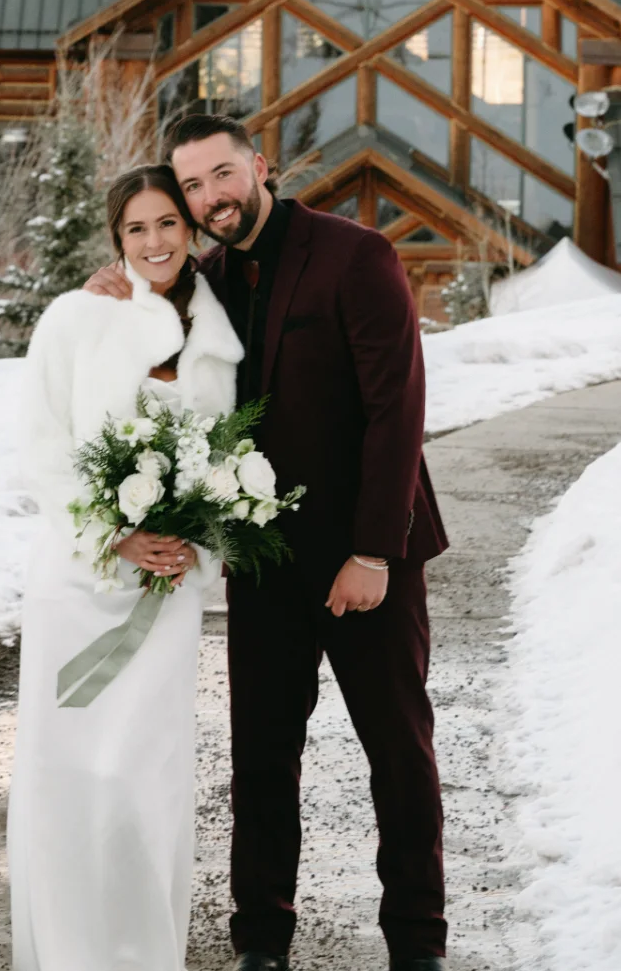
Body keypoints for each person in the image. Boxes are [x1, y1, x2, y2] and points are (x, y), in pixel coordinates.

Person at [87, 112, 449, 971]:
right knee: (260, 756)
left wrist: (372, 552)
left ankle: (418, 943)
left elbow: (398, 407)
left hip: (367, 552)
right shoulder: (205, 279)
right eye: (194, 186)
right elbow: (161, 371)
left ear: (259, 164)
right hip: (263, 559)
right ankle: (261, 942)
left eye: (223, 175)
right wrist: (119, 291)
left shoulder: (355, 255)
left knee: (397, 749)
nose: (211, 197)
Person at [9, 162, 243, 971]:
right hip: (78, 583)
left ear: (192, 230)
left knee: (145, 776)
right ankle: (73, 952)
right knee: (73, 774)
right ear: (116, 239)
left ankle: (146, 953)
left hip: (168, 589)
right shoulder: (76, 318)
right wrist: (111, 537)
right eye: (136, 228)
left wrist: (192, 538)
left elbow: (228, 456)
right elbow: (43, 449)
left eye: (168, 224)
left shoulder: (220, 335)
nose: (153, 241)